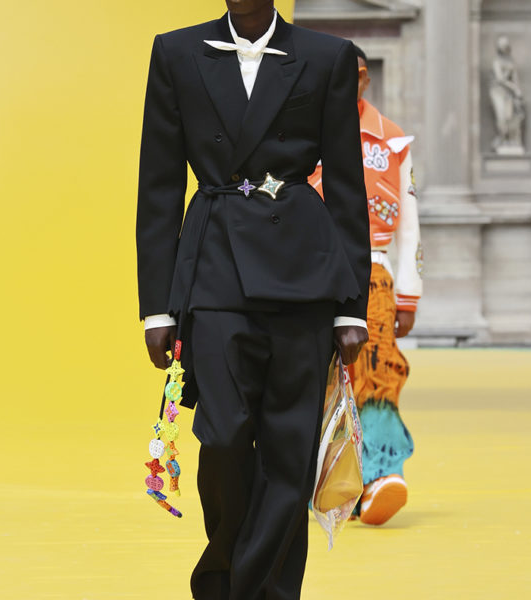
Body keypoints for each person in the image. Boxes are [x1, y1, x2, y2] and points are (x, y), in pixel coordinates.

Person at [136, 1, 370, 598]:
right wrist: (157, 307)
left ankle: (247, 591)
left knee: (290, 453)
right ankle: (229, 575)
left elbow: (348, 187)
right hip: (213, 267)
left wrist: (351, 305)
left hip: (303, 275)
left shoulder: (327, 57)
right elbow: (159, 186)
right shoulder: (176, 53)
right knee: (221, 437)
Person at [309, 44, 423, 526]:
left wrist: (408, 292)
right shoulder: (303, 131)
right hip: (312, 268)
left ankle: (380, 475)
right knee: (314, 375)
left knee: (378, 370)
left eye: (353, 73)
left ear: (365, 78)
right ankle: (325, 480)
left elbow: (410, 220)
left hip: (373, 268)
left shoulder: (392, 140)